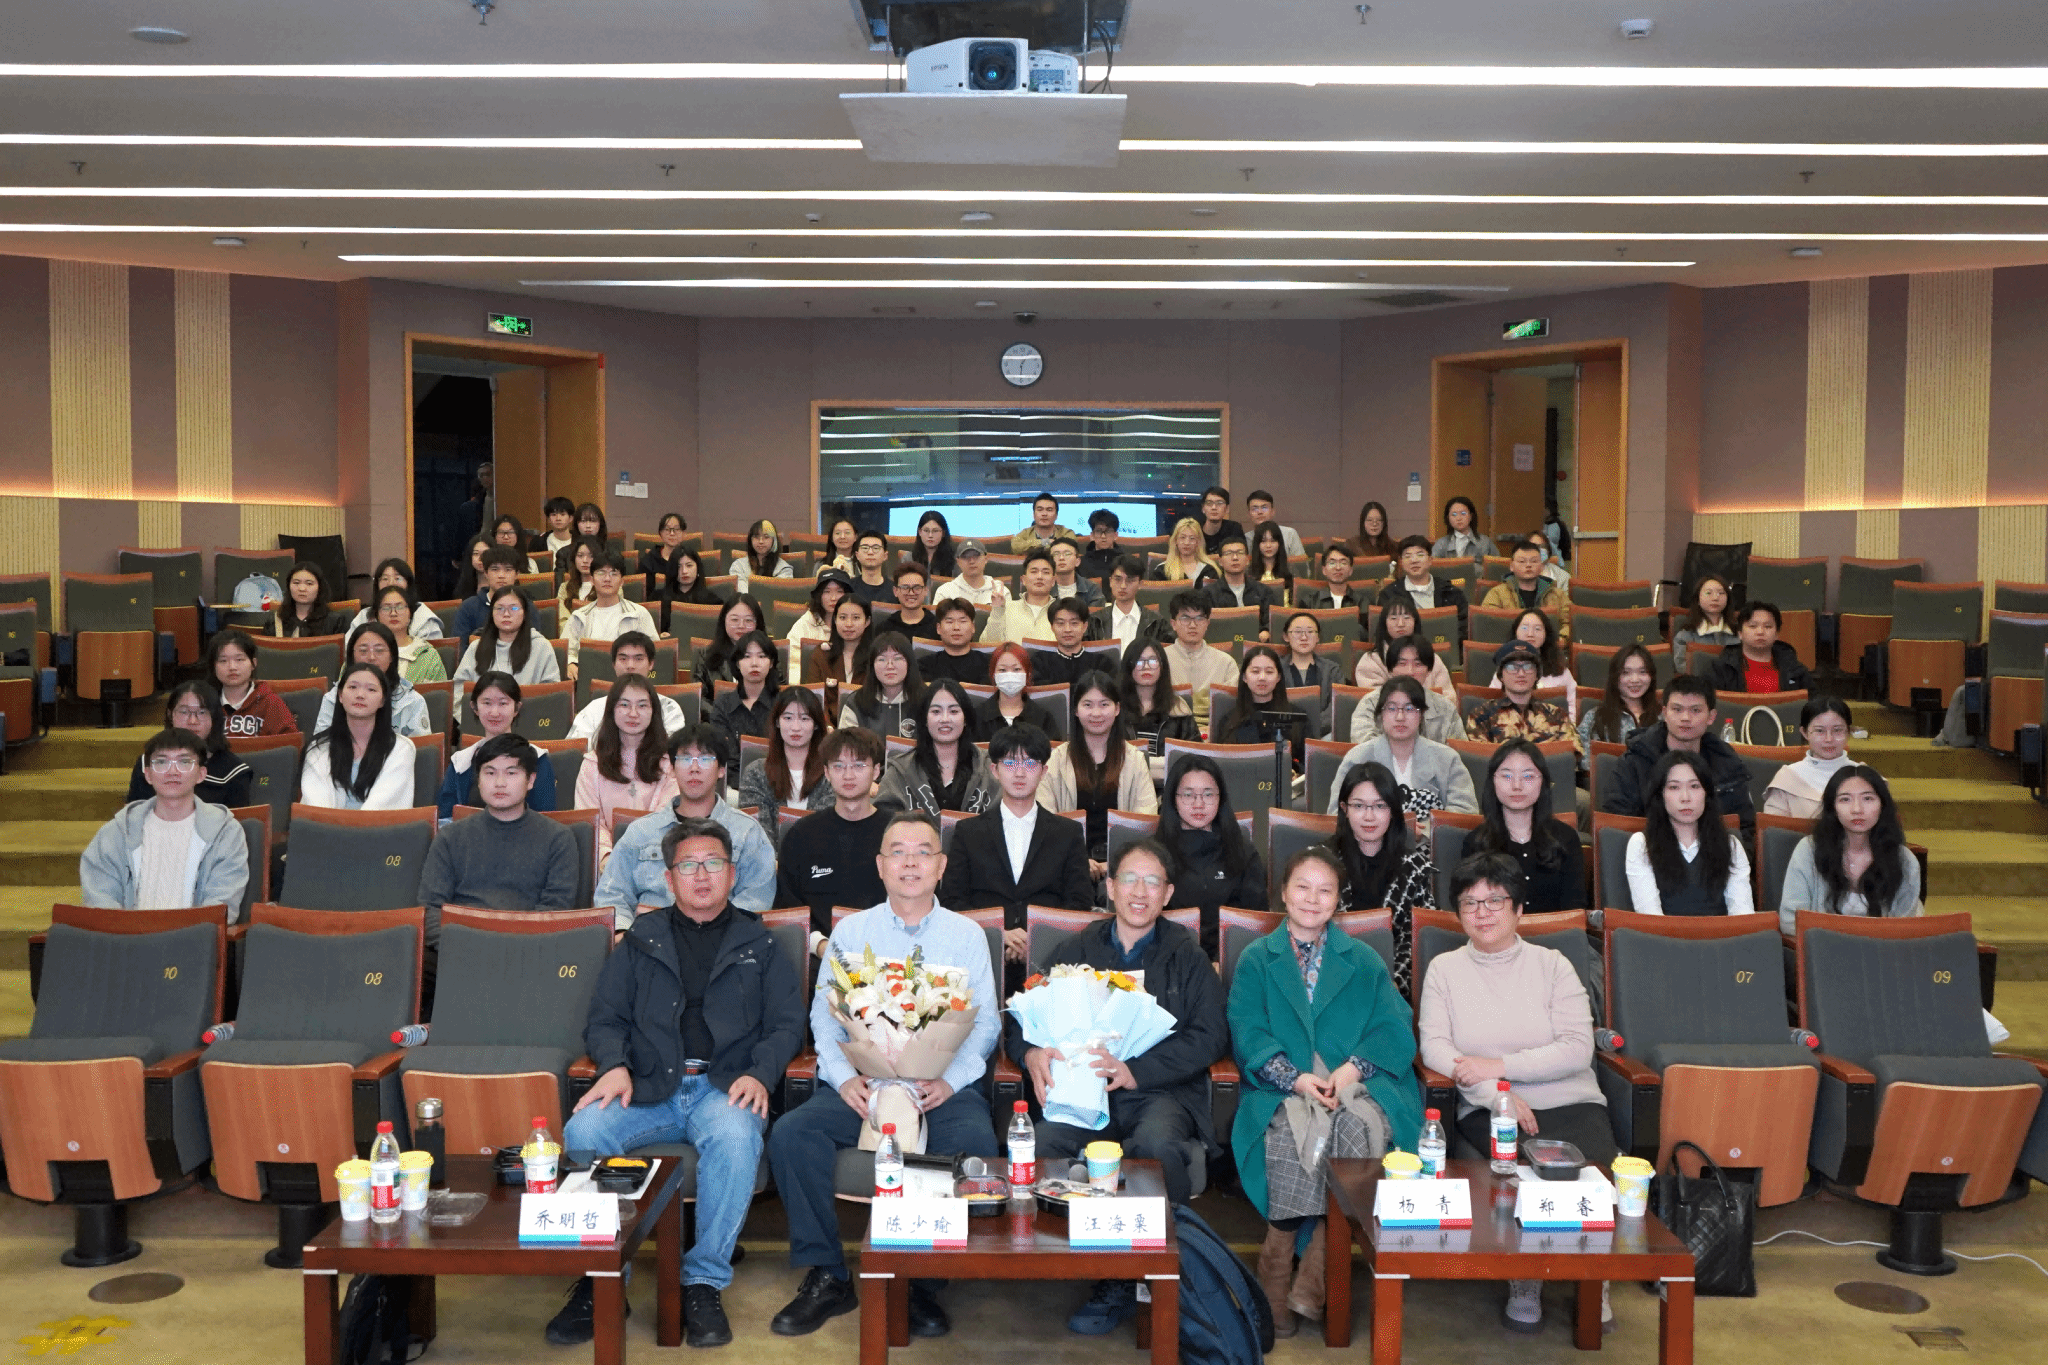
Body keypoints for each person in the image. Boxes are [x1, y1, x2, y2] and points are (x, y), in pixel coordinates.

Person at [558, 817, 806, 1349]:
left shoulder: (759, 943)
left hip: (723, 1087)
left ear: (732, 874)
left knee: (736, 1138)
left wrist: (760, 1073)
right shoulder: (640, 940)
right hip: (647, 1087)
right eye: (688, 865)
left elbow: (787, 1024)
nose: (701, 875)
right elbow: (604, 1018)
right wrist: (613, 1064)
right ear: (669, 879)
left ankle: (703, 1282)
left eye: (713, 863)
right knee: (584, 1131)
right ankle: (603, 1278)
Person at [767, 811, 1001, 1339]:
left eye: (922, 852)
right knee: (791, 1134)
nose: (910, 863)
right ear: (880, 866)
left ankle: (921, 1280)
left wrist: (950, 1082)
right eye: (898, 852)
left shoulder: (967, 936)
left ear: (941, 866)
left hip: (940, 1085)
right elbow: (825, 1017)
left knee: (974, 1146)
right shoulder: (852, 932)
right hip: (864, 1083)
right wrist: (843, 1078)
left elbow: (985, 1023)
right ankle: (827, 1273)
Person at [1012, 838, 1231, 1335]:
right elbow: (1022, 1017)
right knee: (1043, 1145)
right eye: (1129, 878)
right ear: (1109, 887)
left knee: (1155, 1146)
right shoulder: (1077, 949)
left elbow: (1210, 1035)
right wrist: (1030, 1053)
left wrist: (1138, 1071)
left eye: (1153, 882)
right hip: (1084, 1092)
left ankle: (1153, 1274)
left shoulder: (1186, 954)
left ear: (1168, 894)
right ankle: (1080, 1266)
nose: (1140, 891)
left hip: (1157, 1093)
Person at [1417, 851, 1613, 1334]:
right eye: (1469, 902)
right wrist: (1496, 1093)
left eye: (1495, 901)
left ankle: (1597, 1278)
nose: (1482, 912)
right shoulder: (1444, 969)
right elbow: (1436, 1047)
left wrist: (1499, 1067)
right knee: (1520, 1176)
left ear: (1519, 909)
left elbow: (1577, 1048)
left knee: (1588, 1177)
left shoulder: (1553, 965)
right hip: (1488, 1105)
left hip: (1569, 1098)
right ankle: (1526, 1277)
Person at [1230, 846, 1419, 1339]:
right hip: (1282, 1084)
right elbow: (1247, 1029)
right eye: (1302, 887)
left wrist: (1352, 1070)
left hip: (1359, 1084)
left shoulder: (1364, 959)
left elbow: (1394, 1028)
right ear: (1283, 893)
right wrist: (1295, 1078)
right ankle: (1276, 1270)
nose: (1312, 899)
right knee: (1294, 1128)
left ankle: (1314, 1276)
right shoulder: (1257, 958)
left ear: (1338, 901)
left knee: (1354, 1127)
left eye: (1325, 890)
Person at [417, 732, 580, 982]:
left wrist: (507, 948)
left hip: (527, 951)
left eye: (511, 773)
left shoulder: (558, 838)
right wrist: (470, 947)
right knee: (408, 963)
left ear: (531, 780)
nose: (500, 783)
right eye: (490, 773)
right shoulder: (450, 837)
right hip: (460, 949)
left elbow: (554, 910)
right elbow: (430, 908)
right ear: (478, 780)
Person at [939, 723, 1093, 977]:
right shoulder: (968, 832)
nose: (1020, 773)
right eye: (1010, 763)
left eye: (1030, 763)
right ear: (994, 770)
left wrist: (1037, 938)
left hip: (1050, 960)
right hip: (981, 955)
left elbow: (1079, 903)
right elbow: (953, 902)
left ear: (1043, 771)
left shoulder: (1068, 833)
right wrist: (998, 933)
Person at [595, 725, 778, 931]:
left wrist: (712, 936)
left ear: (721, 770)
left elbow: (756, 898)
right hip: (650, 939)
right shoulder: (641, 831)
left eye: (705, 759)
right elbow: (612, 894)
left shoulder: (746, 831)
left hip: (722, 940)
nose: (694, 768)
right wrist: (623, 933)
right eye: (684, 759)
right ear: (672, 769)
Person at [80, 728, 250, 916]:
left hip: (196, 933)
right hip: (126, 933)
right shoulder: (117, 831)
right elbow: (100, 900)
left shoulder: (225, 832)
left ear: (201, 774)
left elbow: (220, 908)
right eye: (161, 762)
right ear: (147, 774)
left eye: (184, 762)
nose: (172, 771)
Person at [1603, 675, 1757, 839]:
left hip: (1715, 851)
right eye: (1677, 709)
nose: (1685, 718)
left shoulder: (1727, 762)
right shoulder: (1635, 761)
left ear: (1711, 717)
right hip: (1649, 850)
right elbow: (1618, 826)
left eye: (1695, 710)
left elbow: (1745, 828)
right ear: (1664, 713)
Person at [1328, 763, 1435, 992]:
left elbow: (1418, 941)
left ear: (1393, 811)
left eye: (1379, 806)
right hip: (1329, 984)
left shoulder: (1415, 868)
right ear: (1344, 809)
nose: (1369, 816)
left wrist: (1390, 985)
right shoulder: (1322, 863)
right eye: (1359, 806)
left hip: (1393, 989)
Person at [1777, 766, 1922, 934]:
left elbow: (1906, 929)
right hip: (1823, 948)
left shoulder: (1904, 860)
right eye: (1845, 799)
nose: (1857, 809)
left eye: (1867, 798)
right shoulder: (1808, 851)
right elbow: (1790, 921)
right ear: (1832, 807)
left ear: (1882, 805)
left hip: (1883, 949)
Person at [1040, 672, 1157, 877]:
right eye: (1087, 705)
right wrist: (1077, 859)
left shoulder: (1134, 760)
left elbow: (1145, 820)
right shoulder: (1056, 760)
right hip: (1067, 864)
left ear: (1117, 709)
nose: (1096, 713)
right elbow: (1044, 821)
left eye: (1104, 704)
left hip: (1123, 866)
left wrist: (1113, 864)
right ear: (1076, 710)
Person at [775, 727, 890, 933]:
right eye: (838, 766)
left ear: (876, 771)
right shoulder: (801, 835)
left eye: (859, 765)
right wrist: (820, 945)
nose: (848, 775)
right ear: (827, 773)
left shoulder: (896, 833)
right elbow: (789, 909)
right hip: (820, 947)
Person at [1326, 676, 1480, 824]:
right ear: (1381, 714)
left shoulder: (1447, 758)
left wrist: (1424, 831)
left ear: (1421, 714)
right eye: (1391, 708)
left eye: (1409, 708)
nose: (1400, 717)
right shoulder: (1357, 758)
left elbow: (1465, 813)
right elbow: (1336, 813)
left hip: (1430, 840)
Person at [1460, 739, 1586, 914]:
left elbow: (1575, 910)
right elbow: (1472, 910)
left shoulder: (1566, 838)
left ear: (1543, 782)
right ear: (1493, 781)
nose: (1517, 786)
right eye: (1507, 776)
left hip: (1555, 931)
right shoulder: (1476, 843)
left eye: (1528, 776)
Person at [1160, 755, 1268, 956]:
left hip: (1230, 960)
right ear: (1173, 798)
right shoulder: (1154, 853)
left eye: (1208, 794)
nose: (1198, 804)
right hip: (1168, 958)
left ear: (1220, 798)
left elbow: (1254, 924)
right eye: (1188, 795)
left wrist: (1223, 962)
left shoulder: (1243, 853)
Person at [1624, 750, 1755, 916]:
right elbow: (1651, 918)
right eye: (1674, 787)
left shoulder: (1731, 846)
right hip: (1663, 933)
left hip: (1721, 933)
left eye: (1694, 786)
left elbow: (1743, 915)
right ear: (1660, 795)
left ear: (1707, 793)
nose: (1685, 797)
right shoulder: (1641, 845)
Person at [579, 675, 680, 868]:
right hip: (607, 864)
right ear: (611, 710)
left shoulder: (670, 764)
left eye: (642, 705)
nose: (633, 713)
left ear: (653, 711)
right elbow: (590, 822)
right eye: (624, 705)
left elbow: (667, 820)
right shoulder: (592, 764)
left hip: (658, 861)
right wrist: (608, 858)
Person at [435, 671, 559, 818]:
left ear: (517, 708)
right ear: (474, 707)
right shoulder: (461, 763)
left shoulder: (537, 759)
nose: (494, 712)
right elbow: (446, 819)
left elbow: (545, 819)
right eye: (487, 703)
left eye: (503, 703)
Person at [876, 680, 998, 819]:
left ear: (965, 718)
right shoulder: (900, 771)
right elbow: (883, 820)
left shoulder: (990, 768)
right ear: (925, 719)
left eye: (953, 711)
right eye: (936, 711)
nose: (945, 719)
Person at [301, 662, 413, 810]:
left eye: (371, 689)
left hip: (377, 825)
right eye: (353, 687)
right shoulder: (319, 747)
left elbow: (383, 809)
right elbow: (318, 810)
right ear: (340, 695)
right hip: (327, 825)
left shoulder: (401, 748)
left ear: (383, 700)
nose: (360, 695)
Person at [122, 681, 252, 808]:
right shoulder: (148, 763)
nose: (192, 721)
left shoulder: (234, 771)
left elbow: (237, 820)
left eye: (202, 712)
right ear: (170, 715)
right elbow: (133, 815)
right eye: (184, 712)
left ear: (214, 717)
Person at [739, 686, 833, 843]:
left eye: (804, 719)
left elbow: (827, 831)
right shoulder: (755, 773)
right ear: (777, 722)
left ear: (816, 725)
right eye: (788, 718)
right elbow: (757, 835)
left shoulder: (831, 773)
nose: (795, 727)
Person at [1465, 640, 1584, 762]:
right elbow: (1480, 764)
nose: (1521, 673)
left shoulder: (1557, 715)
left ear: (1537, 675)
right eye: (1512, 667)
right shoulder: (1481, 716)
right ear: (1501, 676)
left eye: (1528, 666)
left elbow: (1570, 760)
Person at [313, 621, 433, 737]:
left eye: (379, 650)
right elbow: (320, 745)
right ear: (352, 655)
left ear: (392, 656)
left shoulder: (411, 701)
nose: (371, 657)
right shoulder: (334, 698)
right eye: (363, 651)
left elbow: (420, 748)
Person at [452, 586, 559, 709]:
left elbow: (551, 695)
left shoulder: (541, 647)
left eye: (514, 608)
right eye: (500, 608)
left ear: (524, 613)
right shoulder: (476, 647)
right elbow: (458, 691)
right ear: (491, 613)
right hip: (481, 719)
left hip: (530, 718)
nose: (506, 614)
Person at [567, 633, 687, 742]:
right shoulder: (594, 710)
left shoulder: (669, 709)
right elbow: (577, 752)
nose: (630, 666)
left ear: (651, 664)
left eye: (638, 659)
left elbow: (673, 753)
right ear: (613, 664)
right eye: (623, 659)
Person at [564, 549, 659, 680]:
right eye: (601, 573)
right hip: (589, 681)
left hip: (630, 681)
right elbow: (566, 652)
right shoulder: (578, 617)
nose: (607, 579)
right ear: (592, 580)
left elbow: (654, 652)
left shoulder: (639, 614)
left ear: (622, 581)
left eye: (614, 573)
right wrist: (570, 664)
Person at [1209, 644, 1307, 769]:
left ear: (1278, 677)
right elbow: (1218, 765)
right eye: (1255, 671)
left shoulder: (1297, 717)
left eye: (1269, 672)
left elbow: (1309, 765)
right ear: (1244, 677)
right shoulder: (1229, 721)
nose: (1262, 678)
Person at [1351, 638, 1461, 744]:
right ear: (1390, 669)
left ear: (1429, 670)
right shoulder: (1370, 703)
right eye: (1402, 664)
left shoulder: (1445, 707)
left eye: (1418, 664)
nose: (1410, 671)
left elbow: (1459, 750)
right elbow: (1364, 747)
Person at [1763, 696, 1857, 818]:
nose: (1829, 739)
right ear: (1805, 732)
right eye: (1819, 731)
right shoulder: (1787, 778)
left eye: (1837, 730)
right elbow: (1774, 827)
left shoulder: (1864, 776)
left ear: (1848, 732)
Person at [1354, 590, 1456, 701]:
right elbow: (1374, 702)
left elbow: (1449, 699)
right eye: (1393, 618)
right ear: (1384, 624)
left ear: (1415, 622)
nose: (1401, 624)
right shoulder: (1370, 662)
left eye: (1407, 618)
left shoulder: (1433, 659)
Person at [1163, 591, 1239, 730]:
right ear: (1173, 624)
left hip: (1216, 731)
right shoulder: (1160, 660)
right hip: (1171, 730)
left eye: (1199, 618)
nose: (1193, 625)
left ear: (1207, 623)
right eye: (1185, 618)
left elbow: (1231, 710)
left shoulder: (1226, 662)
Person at [1706, 600, 1814, 696]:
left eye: (1768, 626)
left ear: (1777, 634)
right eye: (1753, 626)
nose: (1760, 632)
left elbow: (1814, 701)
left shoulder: (1793, 667)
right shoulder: (1720, 668)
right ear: (1740, 633)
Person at [204, 629, 297, 739]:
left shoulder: (271, 703)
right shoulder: (204, 702)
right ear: (213, 667)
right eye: (223, 661)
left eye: (239, 659)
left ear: (253, 664)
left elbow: (291, 744)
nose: (232, 667)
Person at [1480, 539, 1573, 644]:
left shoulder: (1557, 594)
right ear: (1511, 566)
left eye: (1534, 561)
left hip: (1549, 648)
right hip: (1510, 649)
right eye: (1522, 561)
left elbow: (1570, 623)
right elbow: (1489, 625)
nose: (1528, 565)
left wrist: (1561, 639)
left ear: (1541, 566)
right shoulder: (1497, 594)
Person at [1120, 637, 1199, 753]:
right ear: (1128, 667)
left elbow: (1195, 754)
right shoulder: (1115, 708)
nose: (1146, 667)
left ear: (1162, 666)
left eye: (1153, 661)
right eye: (1139, 661)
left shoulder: (1178, 709)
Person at [839, 631, 921, 737]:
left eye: (897, 658)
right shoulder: (855, 703)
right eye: (882, 659)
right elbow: (847, 744)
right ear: (872, 666)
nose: (890, 666)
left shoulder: (926, 700)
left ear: (909, 663)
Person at [641, 512, 714, 633]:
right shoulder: (658, 598)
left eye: (689, 565)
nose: (684, 571)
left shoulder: (712, 601)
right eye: (667, 529)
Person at [1579, 643, 1657, 754]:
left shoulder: (1664, 716)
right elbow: (1587, 761)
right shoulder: (1594, 718)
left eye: (1642, 672)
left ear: (1652, 676)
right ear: (1615, 677)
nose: (1635, 680)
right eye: (1626, 672)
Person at [346, 558, 444, 642]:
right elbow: (348, 649)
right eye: (385, 579)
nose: (391, 583)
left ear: (408, 583)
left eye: (397, 578)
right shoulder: (364, 616)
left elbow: (431, 653)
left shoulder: (424, 618)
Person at [708, 632, 781, 743]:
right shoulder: (722, 705)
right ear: (737, 663)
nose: (754, 663)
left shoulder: (782, 703)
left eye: (761, 656)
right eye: (747, 656)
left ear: (771, 663)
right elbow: (721, 749)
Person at [692, 594, 768, 699]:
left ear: (757, 624)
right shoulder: (704, 655)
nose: (741, 626)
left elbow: (780, 697)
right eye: (735, 620)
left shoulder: (769, 654)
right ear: (724, 621)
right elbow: (699, 700)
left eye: (748, 620)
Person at [369, 585, 448, 685]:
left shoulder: (428, 655)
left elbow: (439, 693)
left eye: (399, 607)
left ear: (410, 613)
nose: (393, 613)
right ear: (377, 615)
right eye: (386, 608)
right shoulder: (365, 652)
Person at [785, 570, 852, 685]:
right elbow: (791, 664)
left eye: (839, 591)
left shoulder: (855, 624)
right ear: (819, 595)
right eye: (827, 591)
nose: (833, 598)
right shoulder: (806, 622)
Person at [975, 642, 1056, 738]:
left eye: (1016, 669)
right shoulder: (977, 716)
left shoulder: (1043, 718)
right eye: (1002, 670)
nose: (1010, 675)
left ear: (1028, 674)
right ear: (993, 675)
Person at [1379, 536, 1469, 622]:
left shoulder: (1451, 592)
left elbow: (1463, 625)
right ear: (1401, 562)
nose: (1414, 560)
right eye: (1407, 556)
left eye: (1420, 555)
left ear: (1430, 560)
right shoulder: (1389, 595)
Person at [1205, 533, 1281, 634]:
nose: (1235, 557)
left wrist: (1265, 631)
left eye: (1240, 553)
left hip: (1256, 640)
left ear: (1247, 560)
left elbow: (1272, 622)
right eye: (1228, 553)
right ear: (1220, 562)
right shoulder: (1208, 593)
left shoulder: (1263, 591)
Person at [1092, 555, 1169, 653]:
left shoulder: (1157, 623)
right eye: (1118, 579)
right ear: (1110, 582)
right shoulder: (1095, 621)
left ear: (1140, 584)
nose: (1123, 586)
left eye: (1130, 580)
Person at [450, 546, 524, 648]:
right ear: (485, 573)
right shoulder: (468, 607)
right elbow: (460, 648)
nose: (501, 575)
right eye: (495, 569)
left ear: (517, 574)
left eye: (508, 569)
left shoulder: (526, 606)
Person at [980, 548, 1057, 644]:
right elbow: (988, 645)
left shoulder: (1062, 613)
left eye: (1046, 572)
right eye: (1034, 572)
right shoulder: (1006, 609)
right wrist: (997, 611)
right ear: (1023, 580)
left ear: (1053, 581)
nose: (1039, 577)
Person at [807, 593, 872, 702]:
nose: (849, 624)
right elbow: (813, 700)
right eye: (842, 617)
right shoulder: (821, 654)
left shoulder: (877, 656)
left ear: (867, 621)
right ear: (835, 620)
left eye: (856, 618)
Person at [1280, 611, 1343, 720]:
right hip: (1283, 727)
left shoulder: (1332, 670)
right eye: (1297, 631)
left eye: (1310, 631)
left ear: (1318, 637)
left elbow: (1336, 707)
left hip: (1323, 729)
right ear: (1286, 636)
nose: (1304, 637)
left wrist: (1314, 725)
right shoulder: (1275, 668)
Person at [1671, 574, 1735, 675]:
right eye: (1708, 593)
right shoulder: (1684, 636)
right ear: (1698, 600)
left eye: (1721, 593)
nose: (1715, 598)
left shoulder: (1740, 634)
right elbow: (1681, 669)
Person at [1029, 598, 1099, 689]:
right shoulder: (1038, 662)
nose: (1067, 629)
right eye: (1060, 623)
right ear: (1052, 627)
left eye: (1074, 623)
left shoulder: (1101, 663)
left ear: (1085, 627)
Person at [919, 598, 989, 684]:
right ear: (938, 628)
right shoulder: (924, 665)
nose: (956, 627)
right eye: (949, 622)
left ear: (973, 627)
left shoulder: (989, 664)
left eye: (963, 621)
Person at [271, 562, 347, 639]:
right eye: (296, 583)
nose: (302, 588)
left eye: (309, 584)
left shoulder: (335, 622)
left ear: (320, 587)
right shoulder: (274, 620)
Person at [1295, 543, 1368, 615]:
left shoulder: (1362, 602)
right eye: (1332, 563)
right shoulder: (1309, 602)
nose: (1338, 568)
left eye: (1343, 563)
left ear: (1351, 570)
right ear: (1324, 570)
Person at [1148, 517, 1219, 588]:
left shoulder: (1210, 570)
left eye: (1192, 538)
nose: (1187, 542)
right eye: (1182, 537)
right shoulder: (1162, 571)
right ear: (1176, 540)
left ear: (1198, 542)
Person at [932, 538, 999, 608]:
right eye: (965, 557)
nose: (971, 561)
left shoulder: (999, 590)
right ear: (958, 562)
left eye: (976, 556)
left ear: (986, 559)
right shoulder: (945, 592)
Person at [730, 518, 794, 591]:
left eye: (766, 537)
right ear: (750, 540)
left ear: (774, 541)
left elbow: (777, 594)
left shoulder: (784, 569)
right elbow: (742, 592)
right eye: (756, 537)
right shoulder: (738, 566)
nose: (761, 541)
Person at [1245, 489, 1307, 562]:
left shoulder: (1290, 533)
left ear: (1272, 511)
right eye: (1255, 509)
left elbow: (1302, 564)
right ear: (1248, 514)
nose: (1260, 512)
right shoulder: (1246, 538)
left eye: (1264, 508)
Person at [1045, 537, 1105, 611]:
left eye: (1067, 554)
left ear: (1077, 561)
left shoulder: (1092, 588)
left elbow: (1095, 616)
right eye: (1056, 554)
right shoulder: (1044, 587)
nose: (1061, 558)